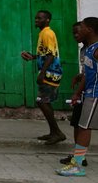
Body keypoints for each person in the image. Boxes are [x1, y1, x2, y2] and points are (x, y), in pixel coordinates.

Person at [56, 17, 98, 177]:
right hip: (89, 93)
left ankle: (78, 165)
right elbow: (87, 75)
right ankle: (78, 162)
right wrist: (77, 92)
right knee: (82, 127)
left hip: (95, 94)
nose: (78, 31)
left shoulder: (96, 49)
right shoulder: (89, 49)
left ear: (90, 30)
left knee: (84, 127)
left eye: (82, 27)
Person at [20, 10, 65, 145]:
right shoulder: (43, 33)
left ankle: (58, 133)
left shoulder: (47, 33)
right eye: (36, 18)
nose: (36, 20)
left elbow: (51, 55)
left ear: (47, 20)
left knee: (42, 101)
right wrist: (33, 56)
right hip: (49, 72)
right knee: (44, 102)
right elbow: (46, 54)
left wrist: (42, 73)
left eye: (39, 18)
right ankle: (54, 132)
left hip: (51, 73)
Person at [60, 22, 88, 166]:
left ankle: (79, 158)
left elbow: (91, 74)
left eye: (78, 32)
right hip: (86, 91)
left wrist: (77, 93)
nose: (75, 35)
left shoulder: (93, 49)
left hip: (89, 92)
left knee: (83, 126)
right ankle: (79, 156)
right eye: (73, 33)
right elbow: (86, 71)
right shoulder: (84, 49)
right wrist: (80, 75)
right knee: (78, 124)